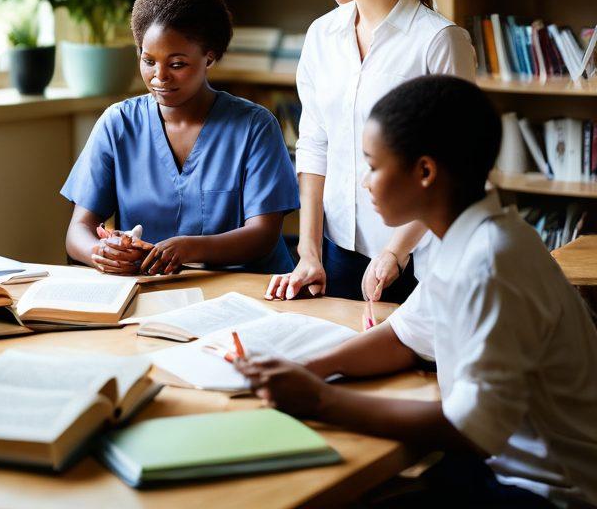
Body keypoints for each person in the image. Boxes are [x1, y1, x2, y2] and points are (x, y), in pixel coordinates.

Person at [237, 76, 597, 507]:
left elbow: (471, 428)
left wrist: (319, 398)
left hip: (548, 491)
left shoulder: (489, 263)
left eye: (373, 165)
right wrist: (310, 368)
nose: (365, 182)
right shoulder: (468, 236)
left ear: (425, 172)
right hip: (498, 466)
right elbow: (402, 337)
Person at [267, 0, 475, 303]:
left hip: (418, 257)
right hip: (339, 251)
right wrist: (308, 252)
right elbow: (314, 146)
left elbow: (459, 162)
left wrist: (395, 251)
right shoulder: (321, 35)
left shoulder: (438, 41)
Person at [63, 0, 299, 276]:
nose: (159, 76)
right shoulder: (118, 124)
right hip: (153, 289)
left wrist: (189, 248)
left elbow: (263, 235)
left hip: (245, 289)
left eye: (176, 64)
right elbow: (78, 231)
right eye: (148, 60)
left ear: (209, 57)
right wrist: (102, 253)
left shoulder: (254, 127)